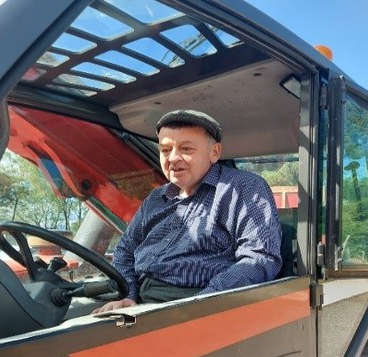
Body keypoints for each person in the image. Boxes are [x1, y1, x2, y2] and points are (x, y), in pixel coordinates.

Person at [93, 109, 282, 313]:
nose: (173, 158)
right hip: (141, 300)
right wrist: (128, 293)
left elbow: (260, 258)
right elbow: (125, 249)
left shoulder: (242, 188)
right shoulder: (155, 199)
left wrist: (202, 306)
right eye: (165, 150)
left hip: (201, 303)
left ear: (214, 152)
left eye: (186, 149)